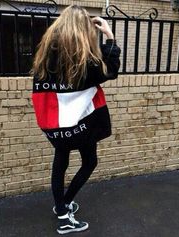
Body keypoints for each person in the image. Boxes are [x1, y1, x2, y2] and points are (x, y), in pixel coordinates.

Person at [30, 5, 121, 235]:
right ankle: (64, 213)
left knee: (61, 160)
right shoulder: (84, 61)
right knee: (89, 162)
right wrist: (109, 36)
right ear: (83, 30)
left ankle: (62, 207)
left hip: (56, 125)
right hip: (81, 123)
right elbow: (110, 70)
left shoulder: (46, 55)